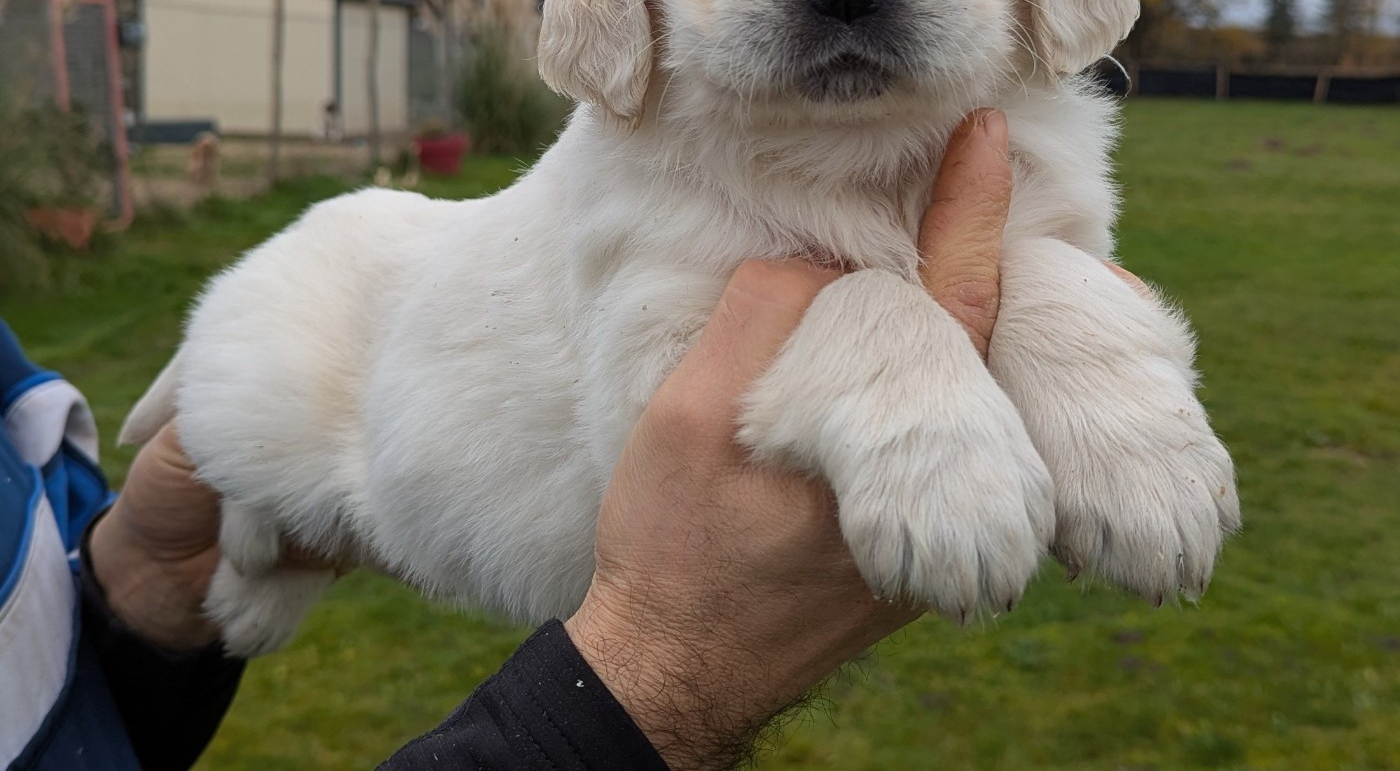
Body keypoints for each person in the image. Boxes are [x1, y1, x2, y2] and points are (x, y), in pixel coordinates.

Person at [5, 110, 1015, 770]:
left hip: (110, 655)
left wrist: (138, 577)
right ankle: (257, 516)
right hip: (315, 347)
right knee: (255, 425)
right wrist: (645, 687)